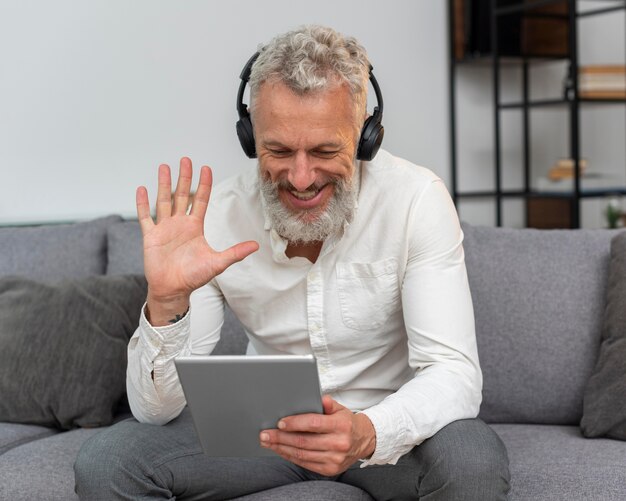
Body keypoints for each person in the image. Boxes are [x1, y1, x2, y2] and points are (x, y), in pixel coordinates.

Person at [74, 24, 510, 500]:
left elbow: (455, 374)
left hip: (388, 437)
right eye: (278, 150)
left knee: (472, 461)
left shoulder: (416, 201)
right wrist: (166, 303)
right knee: (108, 463)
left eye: (325, 151)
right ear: (249, 137)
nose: (301, 178)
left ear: (365, 135)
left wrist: (367, 431)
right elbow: (155, 411)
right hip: (265, 436)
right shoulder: (217, 218)